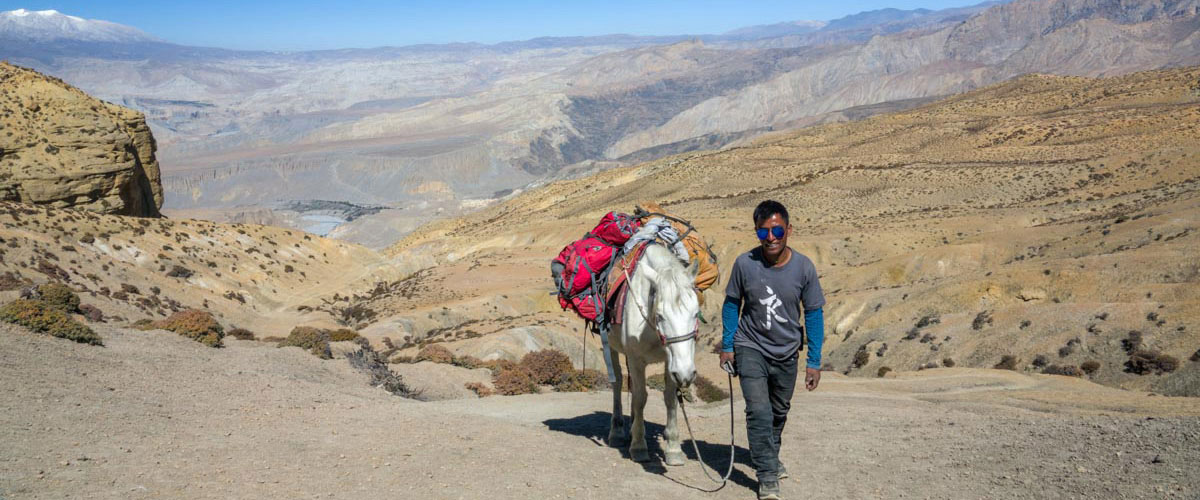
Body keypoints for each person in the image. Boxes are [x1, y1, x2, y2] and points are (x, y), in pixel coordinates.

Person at [720, 200, 826, 500]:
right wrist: (728, 345)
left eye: (777, 230)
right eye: (763, 232)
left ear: (788, 230)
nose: (771, 237)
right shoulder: (744, 264)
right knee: (758, 411)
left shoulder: (804, 267)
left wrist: (814, 361)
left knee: (779, 412)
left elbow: (814, 314)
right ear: (756, 232)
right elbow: (731, 304)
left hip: (787, 352)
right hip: (749, 345)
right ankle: (767, 475)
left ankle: (769, 454)